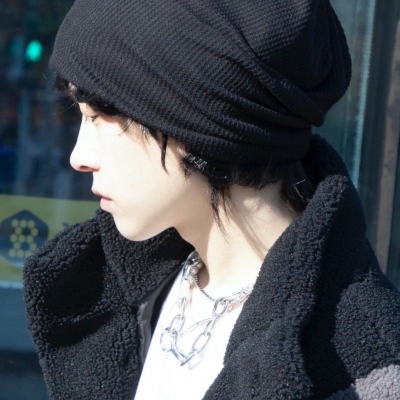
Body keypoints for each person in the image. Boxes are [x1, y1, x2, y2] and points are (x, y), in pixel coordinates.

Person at [23, 0, 400, 399]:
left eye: (100, 116)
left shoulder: (366, 371)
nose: (79, 157)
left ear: (200, 118)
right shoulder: (116, 297)